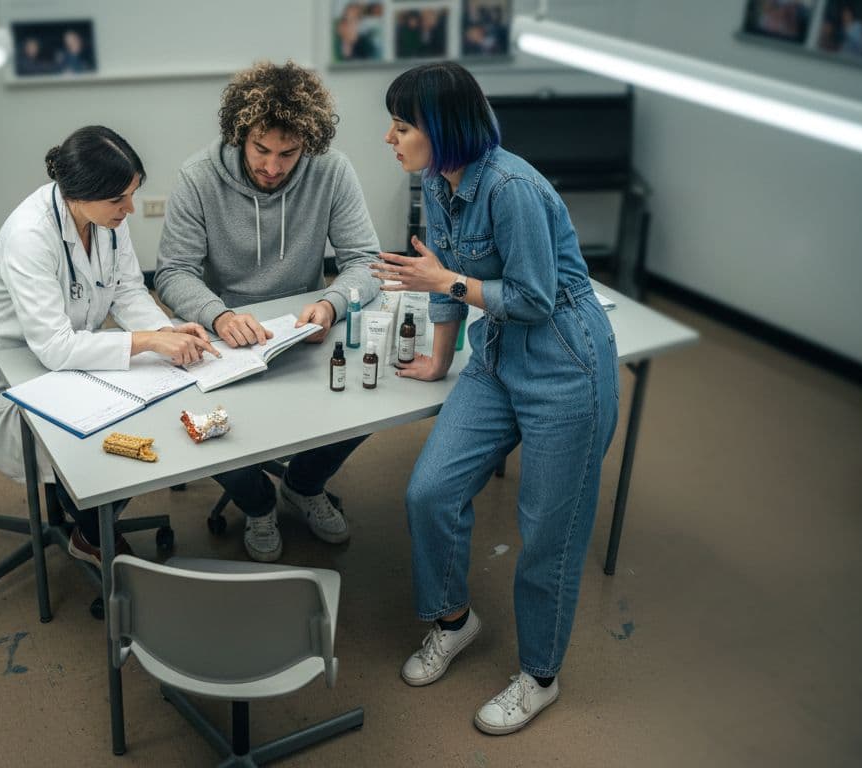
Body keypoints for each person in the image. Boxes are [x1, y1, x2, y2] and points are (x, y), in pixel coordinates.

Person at [375, 63, 619, 735]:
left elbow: (534, 300)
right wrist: (440, 355)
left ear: (444, 131)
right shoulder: (437, 177)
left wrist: (446, 280)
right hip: (496, 358)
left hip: (566, 368)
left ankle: (540, 676)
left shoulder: (511, 188)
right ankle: (454, 622)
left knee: (548, 533)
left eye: (401, 128)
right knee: (429, 491)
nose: (389, 140)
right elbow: (438, 269)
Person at [0, 126, 217, 565]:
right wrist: (149, 340)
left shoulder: (106, 220)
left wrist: (168, 333)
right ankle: (90, 531)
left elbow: (128, 292)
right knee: (109, 431)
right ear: (77, 194)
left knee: (154, 401)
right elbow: (54, 347)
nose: (130, 208)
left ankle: (86, 517)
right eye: (119, 200)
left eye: (132, 193)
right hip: (3, 378)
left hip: (68, 360)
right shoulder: (30, 235)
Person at [155, 61, 381, 562]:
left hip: (302, 332)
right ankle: (257, 505)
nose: (274, 167)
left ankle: (303, 484)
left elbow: (365, 261)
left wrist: (330, 303)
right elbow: (172, 273)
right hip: (224, 335)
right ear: (240, 134)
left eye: (289, 153)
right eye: (261, 149)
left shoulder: (332, 171)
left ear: (309, 144)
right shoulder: (197, 178)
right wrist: (219, 315)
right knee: (194, 420)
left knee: (373, 394)